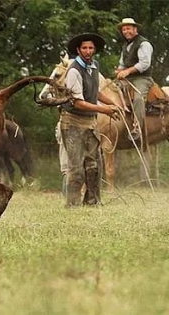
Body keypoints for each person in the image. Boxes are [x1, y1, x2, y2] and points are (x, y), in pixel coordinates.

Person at [60, 33, 120, 208]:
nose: (88, 51)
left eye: (91, 48)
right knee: (76, 167)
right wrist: (105, 110)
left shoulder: (94, 66)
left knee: (94, 164)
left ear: (94, 50)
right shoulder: (73, 71)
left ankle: (93, 202)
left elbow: (95, 93)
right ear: (78, 50)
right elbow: (78, 102)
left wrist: (114, 103)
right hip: (73, 122)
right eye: (84, 48)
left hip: (90, 121)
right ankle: (72, 204)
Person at [114, 18, 154, 142]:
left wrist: (127, 71)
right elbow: (122, 63)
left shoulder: (144, 43)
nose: (126, 31)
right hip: (128, 79)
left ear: (135, 29)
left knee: (138, 98)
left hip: (142, 78)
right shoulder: (125, 45)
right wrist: (120, 71)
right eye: (124, 29)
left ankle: (137, 127)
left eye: (128, 28)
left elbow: (144, 63)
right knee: (110, 90)